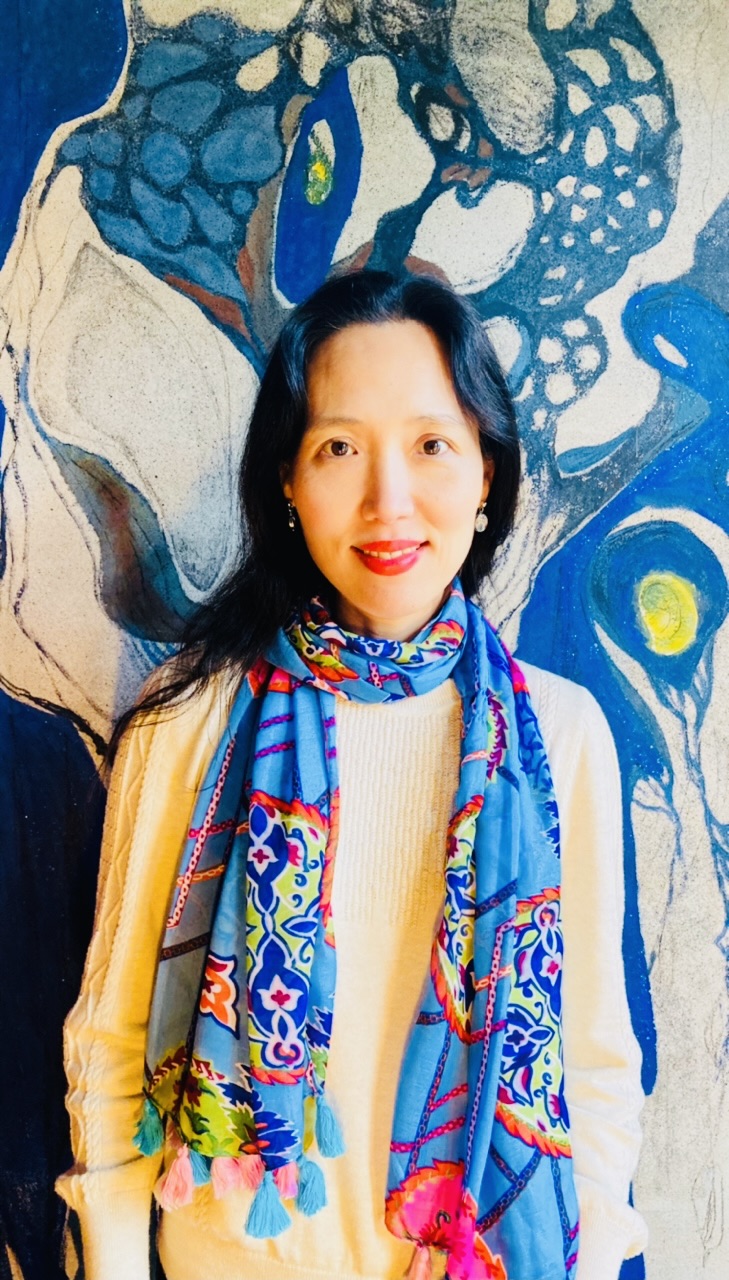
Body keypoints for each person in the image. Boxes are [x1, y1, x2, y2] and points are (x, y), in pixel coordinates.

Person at [57, 270, 648, 1280]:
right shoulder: (192, 719)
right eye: (339, 447)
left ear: (487, 474)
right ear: (287, 481)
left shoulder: (560, 733)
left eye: (431, 445)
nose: (389, 501)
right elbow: (112, 1040)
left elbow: (592, 1062)